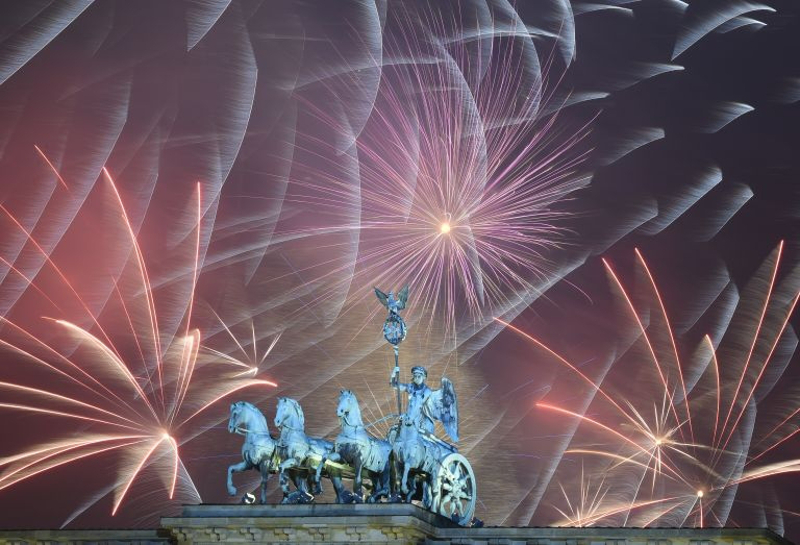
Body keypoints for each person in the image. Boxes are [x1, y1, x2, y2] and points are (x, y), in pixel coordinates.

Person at [390, 365, 435, 435]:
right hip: (410, 417)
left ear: (424, 377)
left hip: (423, 423)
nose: (416, 378)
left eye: (419, 376)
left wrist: (406, 416)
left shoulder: (427, 392)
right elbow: (394, 385)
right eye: (415, 376)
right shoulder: (411, 387)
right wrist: (393, 374)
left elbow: (417, 407)